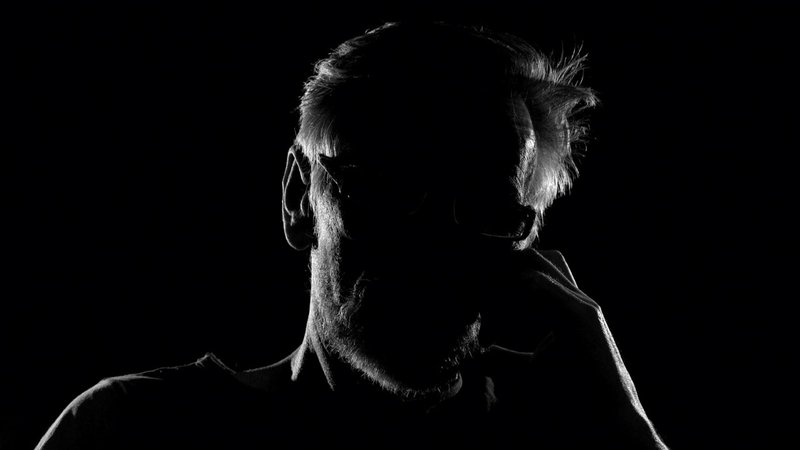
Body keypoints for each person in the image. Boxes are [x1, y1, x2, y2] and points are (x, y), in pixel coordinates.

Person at [36, 21, 669, 449]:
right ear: (298, 196)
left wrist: (625, 428)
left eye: (486, 211)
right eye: (390, 190)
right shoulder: (136, 430)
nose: (434, 249)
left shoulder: (570, 433)